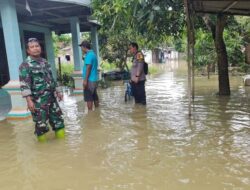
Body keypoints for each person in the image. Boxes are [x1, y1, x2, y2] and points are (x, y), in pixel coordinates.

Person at [19, 38, 65, 142]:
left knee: (59, 121)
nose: (35, 48)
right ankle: (43, 149)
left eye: (37, 46)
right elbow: (24, 84)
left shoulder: (45, 62)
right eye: (32, 47)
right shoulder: (25, 65)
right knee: (41, 126)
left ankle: (62, 146)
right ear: (28, 50)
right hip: (38, 101)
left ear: (40, 47)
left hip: (51, 98)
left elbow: (52, 78)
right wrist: (29, 101)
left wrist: (58, 91)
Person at [79, 40, 99, 111]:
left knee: (89, 98)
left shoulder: (89, 55)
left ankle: (90, 114)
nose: (81, 49)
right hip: (94, 79)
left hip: (89, 80)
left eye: (81, 47)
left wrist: (85, 80)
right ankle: (97, 111)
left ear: (84, 47)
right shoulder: (93, 54)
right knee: (94, 96)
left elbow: (89, 67)